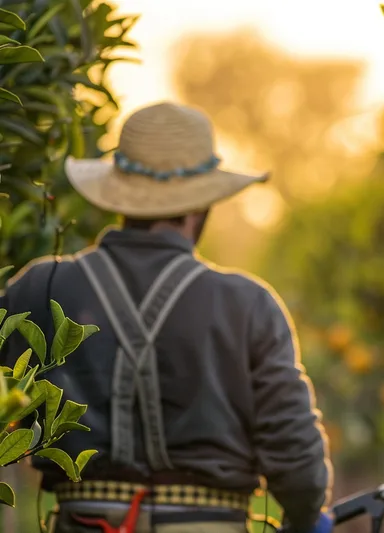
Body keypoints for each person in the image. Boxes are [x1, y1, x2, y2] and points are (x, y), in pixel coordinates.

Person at [1, 102, 334, 533]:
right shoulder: (247, 304)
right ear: (202, 204)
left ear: (117, 194)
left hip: (81, 522)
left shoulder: (39, 288)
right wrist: (307, 519)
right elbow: (295, 455)